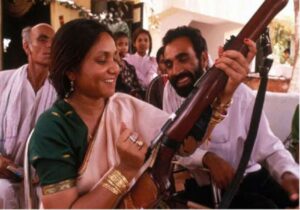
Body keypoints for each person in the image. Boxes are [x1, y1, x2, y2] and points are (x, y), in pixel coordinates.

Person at [28, 19, 255, 209]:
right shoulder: (54, 127)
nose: (115, 68)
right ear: (71, 70)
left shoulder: (123, 106)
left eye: (115, 58)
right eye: (101, 60)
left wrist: (223, 95)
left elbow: (183, 145)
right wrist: (125, 169)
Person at [161, 26, 299, 208]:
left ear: (203, 58)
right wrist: (206, 158)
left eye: (183, 59)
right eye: (169, 64)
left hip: (249, 178)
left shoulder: (241, 95)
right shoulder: (170, 92)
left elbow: (270, 148)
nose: (175, 71)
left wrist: (288, 173)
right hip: (209, 188)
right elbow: (172, 145)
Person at [0, 23, 56, 208]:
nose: (49, 45)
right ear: (26, 46)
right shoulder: (3, 82)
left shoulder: (60, 91)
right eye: (42, 39)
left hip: (39, 177)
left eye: (53, 41)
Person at [114, 31, 145, 99]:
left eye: (126, 44)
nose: (124, 47)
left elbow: (136, 85)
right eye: (120, 44)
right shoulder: (112, 66)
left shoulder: (130, 67)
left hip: (130, 98)